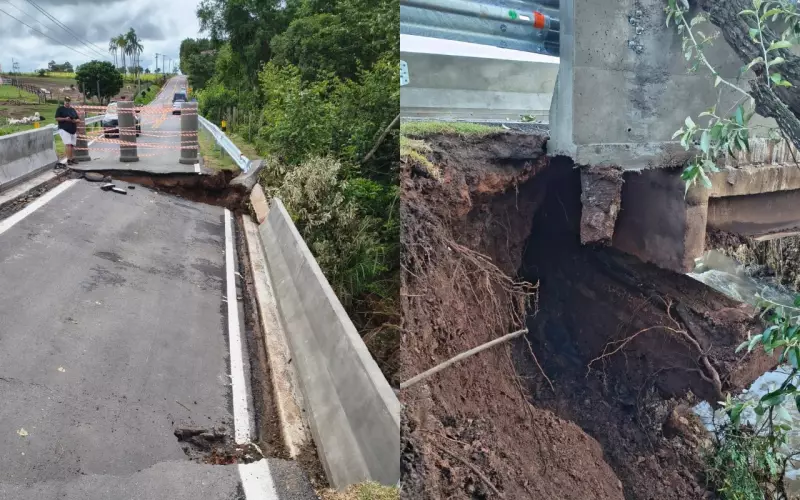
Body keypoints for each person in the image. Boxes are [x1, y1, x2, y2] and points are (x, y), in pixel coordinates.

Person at [55, 96, 80, 165]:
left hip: (73, 129)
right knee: (68, 144)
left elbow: (78, 119)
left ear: (70, 102)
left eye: (68, 101)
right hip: (64, 129)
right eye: (66, 101)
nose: (67, 103)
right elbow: (57, 118)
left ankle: (72, 158)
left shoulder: (72, 110)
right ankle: (69, 159)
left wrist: (75, 120)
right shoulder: (60, 109)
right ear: (64, 101)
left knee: (72, 145)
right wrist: (65, 119)